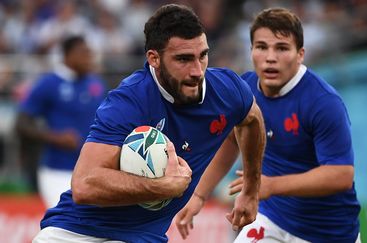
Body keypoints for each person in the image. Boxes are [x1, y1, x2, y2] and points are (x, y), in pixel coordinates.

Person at [32, 4, 265, 243]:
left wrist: (251, 187)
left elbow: (252, 119)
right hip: (76, 233)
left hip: (144, 237)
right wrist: (164, 187)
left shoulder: (227, 90)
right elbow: (84, 185)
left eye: (202, 55)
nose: (197, 71)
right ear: (154, 58)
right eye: (183, 59)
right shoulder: (129, 101)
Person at [175, 7, 361, 243]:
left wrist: (270, 185)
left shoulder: (323, 102)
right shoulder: (245, 90)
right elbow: (231, 139)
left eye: (282, 48)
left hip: (328, 232)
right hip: (271, 219)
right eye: (262, 47)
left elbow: (341, 175)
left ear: (300, 54)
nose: (270, 57)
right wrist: (199, 195)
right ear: (251, 51)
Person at [15, 35, 106, 208]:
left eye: (90, 53)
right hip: (57, 169)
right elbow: (21, 123)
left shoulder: (96, 84)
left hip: (92, 170)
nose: (89, 58)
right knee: (64, 225)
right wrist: (55, 137)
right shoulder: (49, 83)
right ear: (67, 55)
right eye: (83, 53)